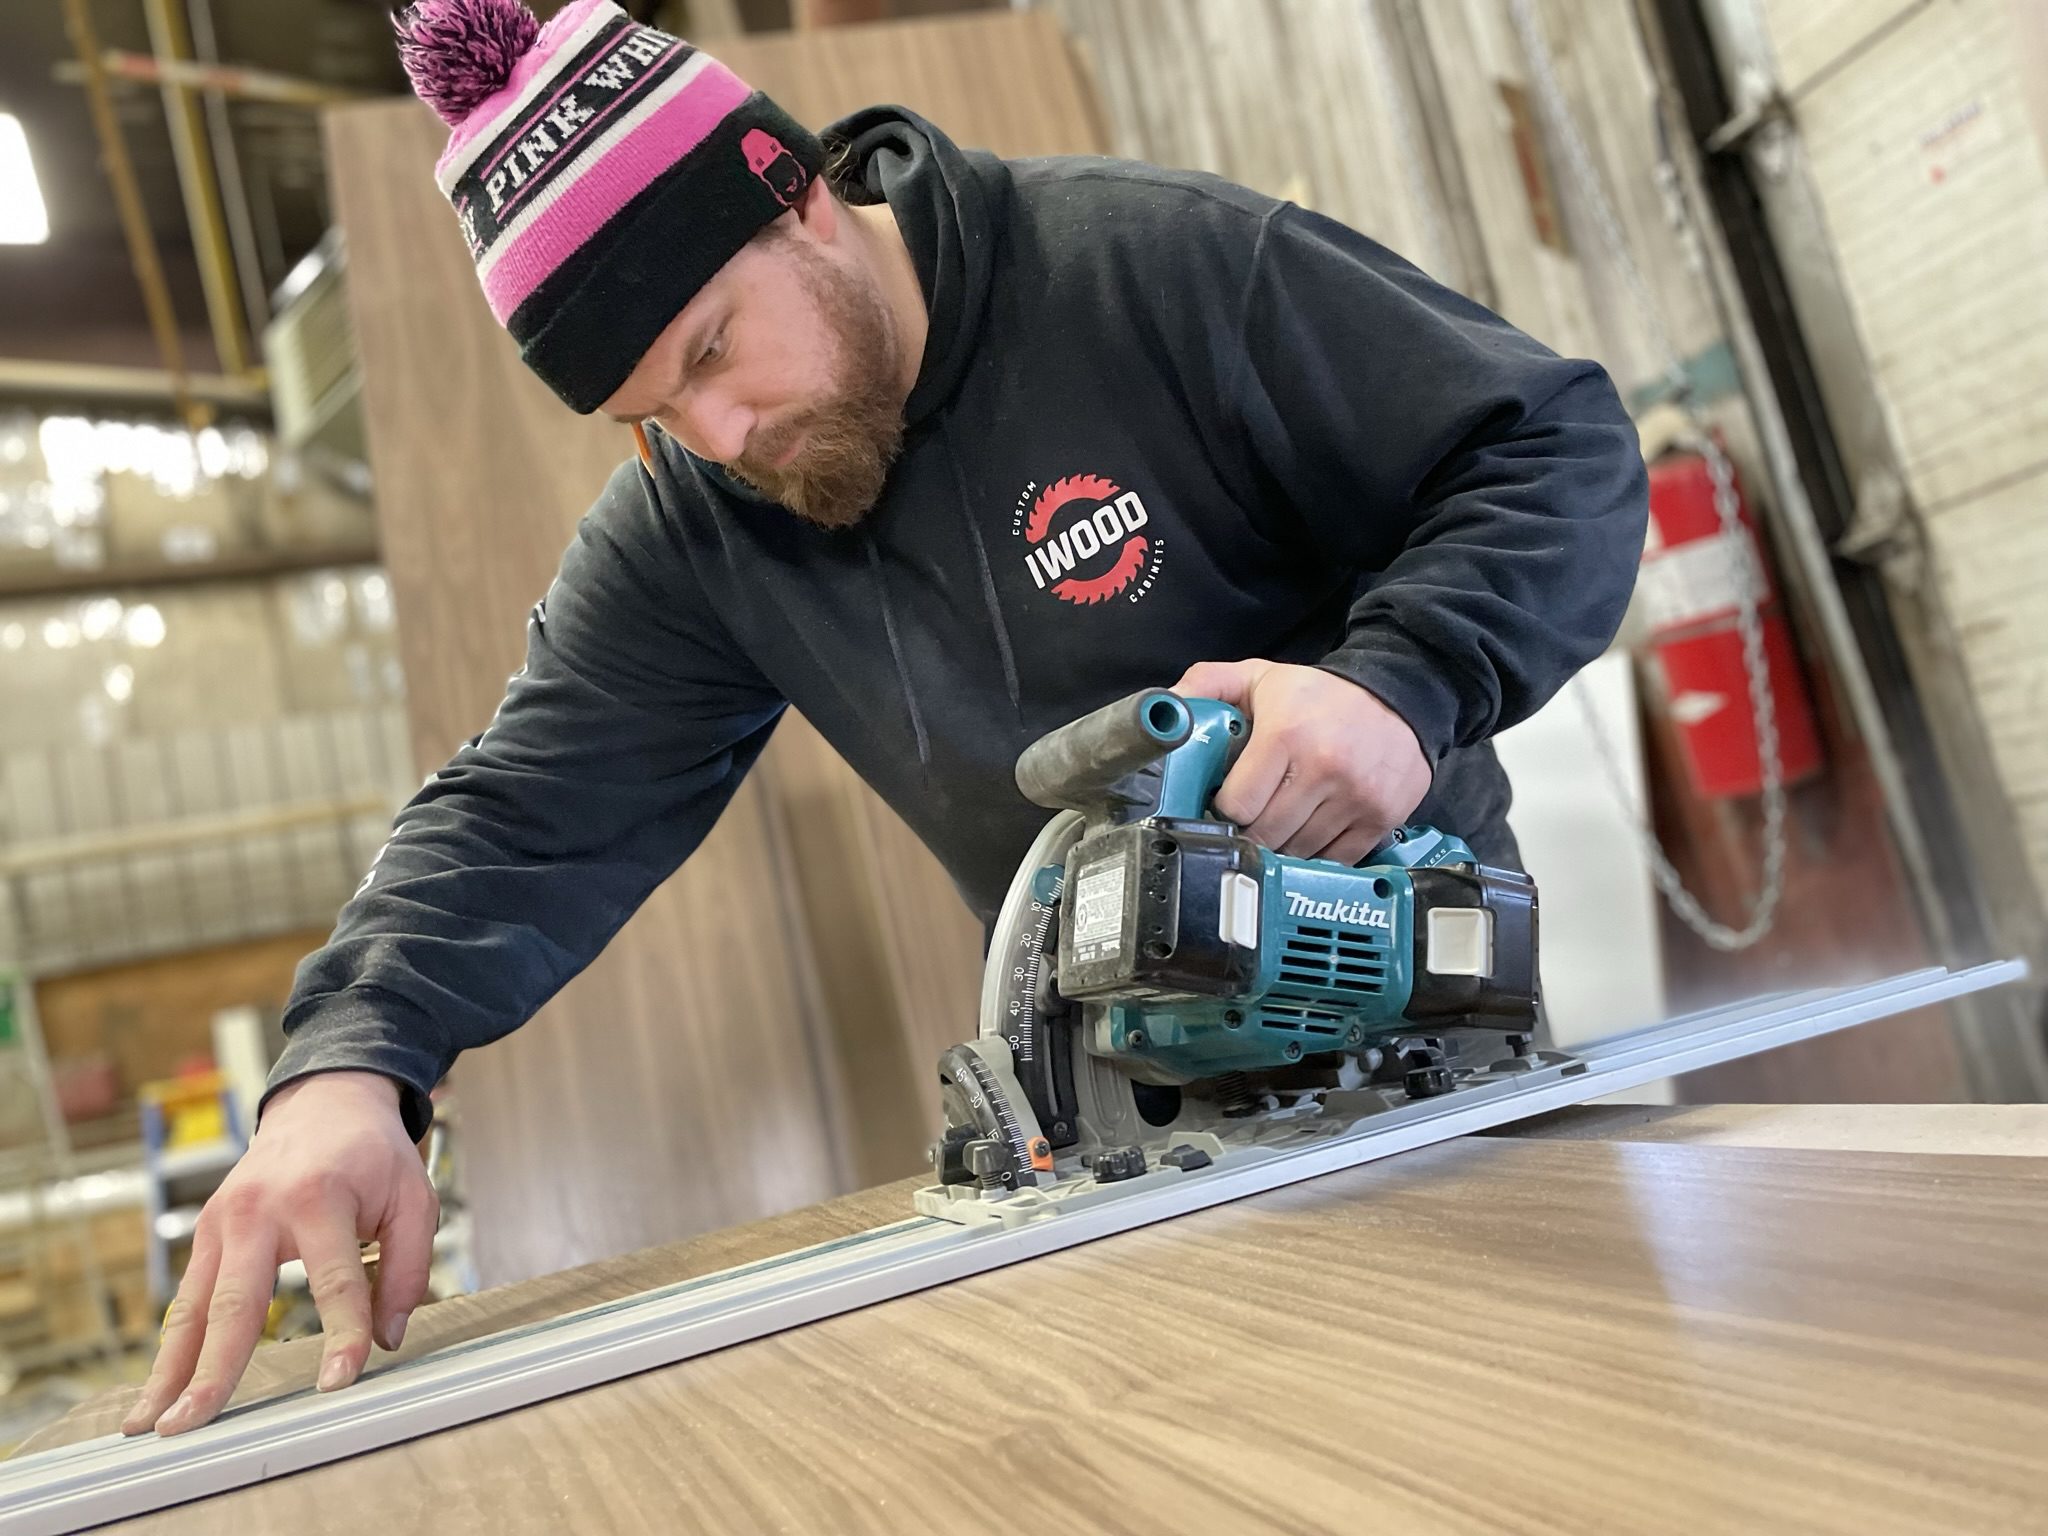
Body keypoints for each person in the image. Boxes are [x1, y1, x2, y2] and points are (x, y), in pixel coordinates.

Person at [123, 0, 1648, 1438]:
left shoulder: (1150, 268)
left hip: (1430, 1081)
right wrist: (347, 1063)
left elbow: (1553, 444)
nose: (724, 439)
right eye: (655, 414)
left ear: (795, 195)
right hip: (1126, 1145)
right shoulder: (701, 524)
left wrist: (1402, 681)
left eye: (714, 350)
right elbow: (524, 811)